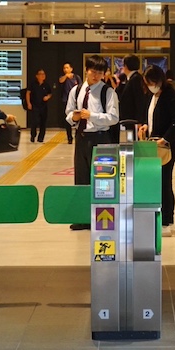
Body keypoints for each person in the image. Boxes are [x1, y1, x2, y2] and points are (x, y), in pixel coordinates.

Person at [65, 54, 119, 230]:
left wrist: (92, 116)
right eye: (93, 72)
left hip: (101, 139)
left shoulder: (108, 92)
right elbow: (68, 112)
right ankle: (82, 218)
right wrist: (74, 117)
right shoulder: (77, 90)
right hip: (81, 138)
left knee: (102, 180)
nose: (95, 76)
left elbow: (113, 118)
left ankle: (103, 219)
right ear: (86, 71)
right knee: (81, 179)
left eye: (100, 73)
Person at [138, 66, 175, 237]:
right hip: (155, 145)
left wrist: (165, 138)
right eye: (148, 83)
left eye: (152, 82)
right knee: (159, 182)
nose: (150, 86)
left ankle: (166, 221)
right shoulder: (153, 96)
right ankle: (166, 220)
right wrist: (146, 126)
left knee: (165, 182)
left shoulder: (169, 95)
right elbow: (152, 117)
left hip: (167, 147)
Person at [119, 54, 149, 126]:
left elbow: (139, 101)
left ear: (126, 66)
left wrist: (139, 121)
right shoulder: (130, 78)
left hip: (133, 120)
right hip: (129, 119)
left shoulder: (136, 79)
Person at [58, 62, 82, 144]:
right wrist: (66, 76)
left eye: (67, 68)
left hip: (76, 101)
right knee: (68, 119)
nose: (65, 69)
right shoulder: (63, 77)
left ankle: (77, 135)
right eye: (64, 68)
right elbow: (60, 81)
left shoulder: (76, 77)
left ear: (71, 69)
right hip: (66, 100)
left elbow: (80, 87)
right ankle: (69, 137)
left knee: (77, 118)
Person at [26, 69, 52, 143]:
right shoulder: (33, 84)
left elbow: (50, 94)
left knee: (43, 122)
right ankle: (33, 135)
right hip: (35, 105)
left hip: (43, 106)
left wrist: (47, 97)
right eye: (40, 74)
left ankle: (41, 138)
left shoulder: (46, 85)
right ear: (37, 76)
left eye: (43, 74)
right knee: (34, 121)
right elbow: (28, 93)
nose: (42, 75)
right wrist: (28, 103)